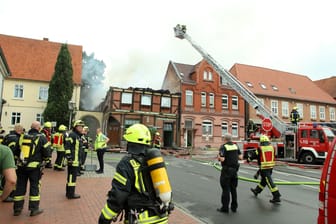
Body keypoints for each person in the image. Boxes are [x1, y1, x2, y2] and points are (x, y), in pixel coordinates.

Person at [98, 123, 173, 224]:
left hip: (141, 220)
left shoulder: (127, 163)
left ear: (131, 142)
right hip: (161, 218)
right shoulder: (153, 161)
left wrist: (105, 217)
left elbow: (119, 194)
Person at [12, 121, 51, 216]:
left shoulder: (22, 136)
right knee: (34, 187)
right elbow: (47, 152)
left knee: (20, 187)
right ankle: (34, 209)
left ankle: (17, 208)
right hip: (34, 168)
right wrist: (46, 160)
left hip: (21, 166)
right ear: (38, 128)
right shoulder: (42, 137)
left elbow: (16, 150)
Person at [249, 135, 281, 203]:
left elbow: (254, 155)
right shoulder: (272, 148)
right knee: (264, 181)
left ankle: (276, 196)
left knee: (269, 182)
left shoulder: (260, 148)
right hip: (270, 167)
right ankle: (256, 191)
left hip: (264, 168)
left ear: (262, 142)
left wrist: (249, 159)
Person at [217, 133, 243, 213]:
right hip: (235, 171)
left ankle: (225, 208)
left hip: (226, 171)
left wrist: (218, 157)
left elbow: (222, 159)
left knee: (226, 189)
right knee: (233, 189)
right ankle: (234, 207)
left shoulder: (223, 147)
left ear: (225, 139)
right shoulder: (235, 146)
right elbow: (240, 157)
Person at [1, 123, 24, 202]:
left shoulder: (7, 136)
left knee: (3, 177)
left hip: (3, 159)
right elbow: (17, 150)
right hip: (10, 159)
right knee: (11, 177)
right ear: (19, 130)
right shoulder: (18, 138)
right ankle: (8, 194)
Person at [64, 120, 84, 199]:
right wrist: (69, 157)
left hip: (75, 161)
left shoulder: (78, 136)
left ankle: (69, 192)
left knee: (71, 177)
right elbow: (67, 146)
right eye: (80, 127)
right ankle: (70, 194)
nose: (82, 128)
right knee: (72, 178)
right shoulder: (73, 135)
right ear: (76, 127)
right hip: (73, 161)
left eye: (82, 127)